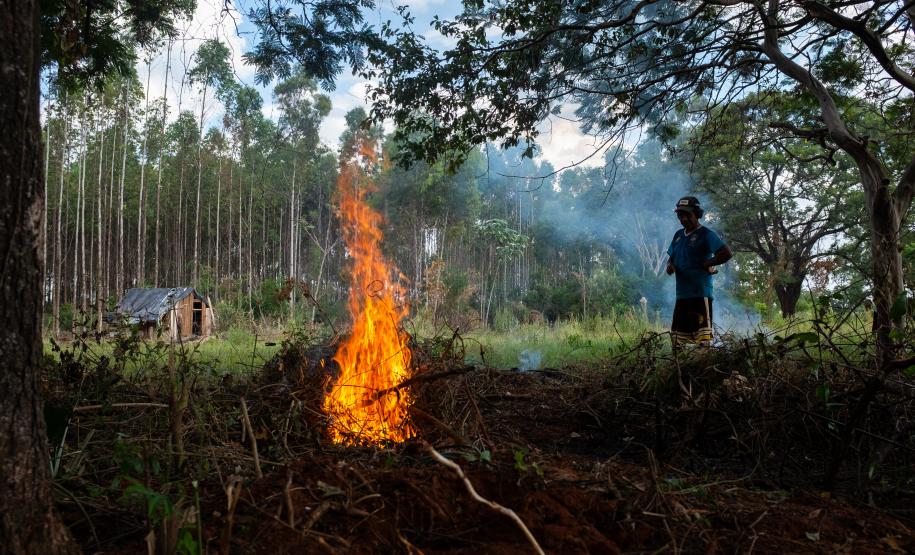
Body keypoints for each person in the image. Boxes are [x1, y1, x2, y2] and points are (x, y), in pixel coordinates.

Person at [665, 196, 732, 349]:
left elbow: (726, 253)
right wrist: (670, 266)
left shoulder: (706, 234)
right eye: (680, 216)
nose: (683, 219)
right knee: (677, 340)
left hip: (700, 293)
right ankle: (680, 371)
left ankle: (703, 369)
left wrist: (707, 263)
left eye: (687, 215)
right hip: (682, 294)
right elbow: (671, 259)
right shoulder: (678, 236)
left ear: (697, 214)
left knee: (703, 339)